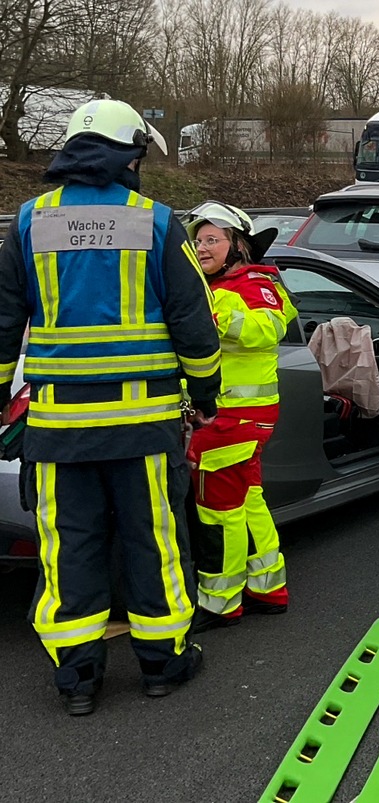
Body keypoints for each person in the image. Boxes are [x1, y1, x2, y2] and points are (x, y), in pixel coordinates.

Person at [0, 99, 222, 715]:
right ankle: (161, 664)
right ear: (131, 154)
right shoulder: (154, 221)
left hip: (56, 427)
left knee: (68, 546)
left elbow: (2, 320)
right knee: (153, 540)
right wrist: (204, 396)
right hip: (141, 426)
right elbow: (192, 323)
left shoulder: (28, 220)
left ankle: (77, 678)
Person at [181, 202, 297, 632]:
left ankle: (220, 602)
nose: (202, 246)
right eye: (198, 239)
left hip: (231, 417)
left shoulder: (248, 282)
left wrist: (211, 314)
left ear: (238, 246)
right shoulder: (221, 284)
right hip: (235, 417)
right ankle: (268, 589)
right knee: (248, 502)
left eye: (213, 239)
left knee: (219, 511)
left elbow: (266, 329)